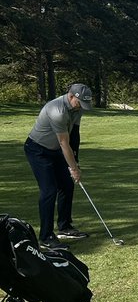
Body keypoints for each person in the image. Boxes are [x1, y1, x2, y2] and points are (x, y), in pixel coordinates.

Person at [24, 83, 94, 248]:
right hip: (38, 150)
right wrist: (74, 169)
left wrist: (75, 161)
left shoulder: (77, 108)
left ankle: (65, 226)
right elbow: (64, 142)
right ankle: (46, 237)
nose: (81, 107)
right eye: (80, 103)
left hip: (56, 151)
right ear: (71, 96)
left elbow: (74, 135)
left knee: (67, 185)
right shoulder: (57, 110)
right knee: (49, 190)